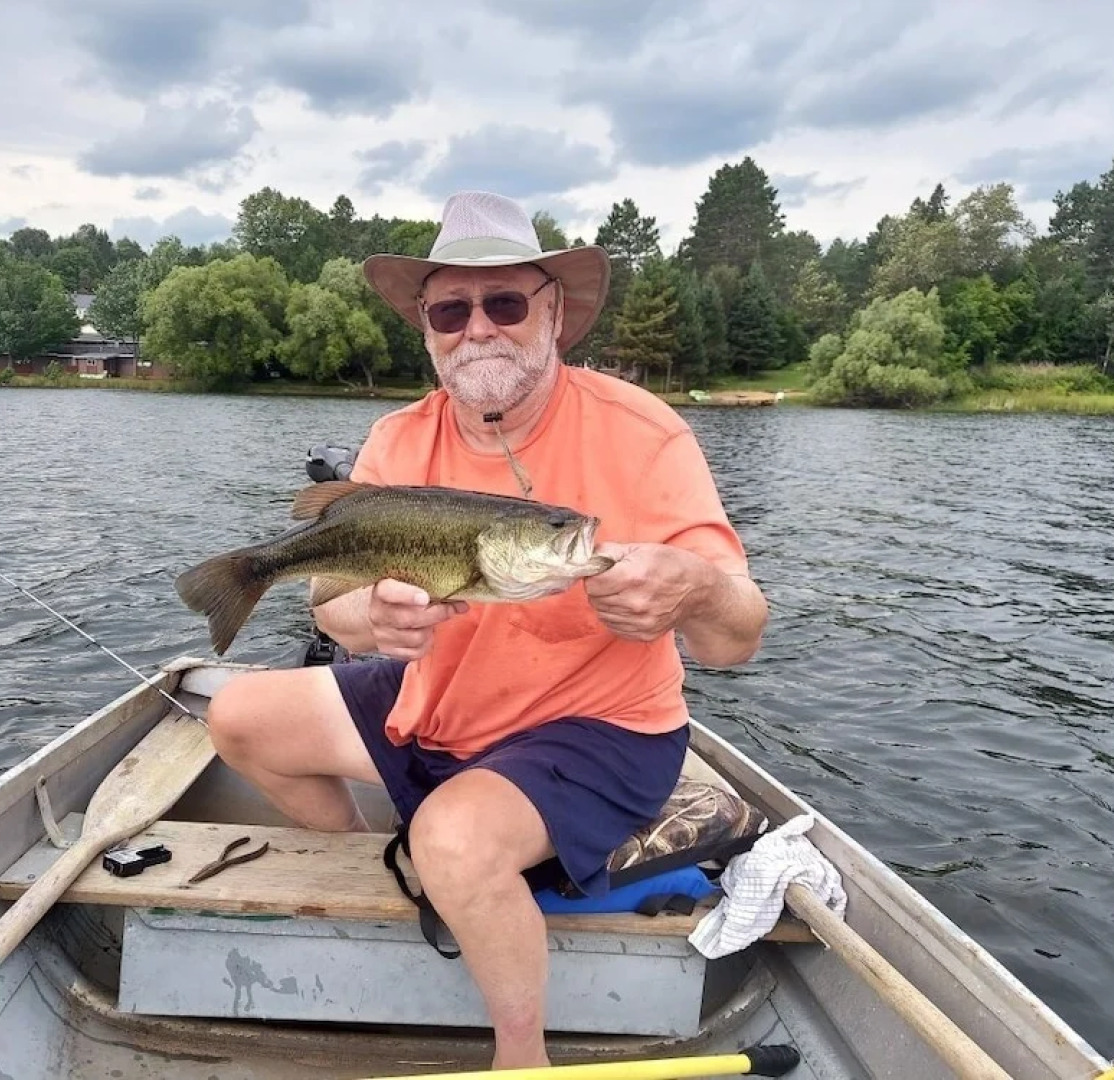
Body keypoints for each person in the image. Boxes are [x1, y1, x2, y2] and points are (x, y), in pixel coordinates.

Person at [206, 190, 769, 1069]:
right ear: (427, 330)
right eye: (450, 309)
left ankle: (521, 1058)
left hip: (603, 728)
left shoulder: (646, 434)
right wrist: (375, 616)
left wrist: (694, 588)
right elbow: (328, 606)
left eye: (505, 303)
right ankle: (384, 868)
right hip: (442, 700)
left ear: (555, 317)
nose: (479, 329)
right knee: (236, 718)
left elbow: (738, 640)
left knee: (454, 840)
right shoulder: (398, 439)